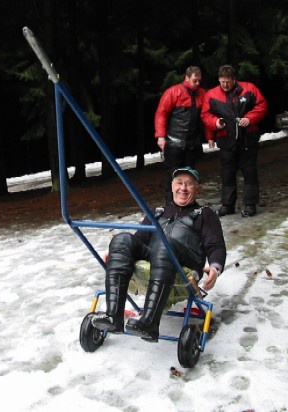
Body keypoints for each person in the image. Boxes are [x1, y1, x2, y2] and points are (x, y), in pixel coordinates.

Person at [92, 166, 226, 342]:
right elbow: (139, 238)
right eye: (179, 183)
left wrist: (215, 267)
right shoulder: (157, 212)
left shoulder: (205, 215)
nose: (183, 188)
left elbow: (216, 245)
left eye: (188, 184)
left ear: (197, 188)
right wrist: (119, 252)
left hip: (186, 263)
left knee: (165, 244)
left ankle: (150, 323)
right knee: (122, 239)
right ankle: (113, 317)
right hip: (157, 256)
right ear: (172, 186)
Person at [201, 65, 267, 218]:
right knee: (227, 173)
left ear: (234, 79)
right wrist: (215, 123)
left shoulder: (249, 89)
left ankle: (250, 205)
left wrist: (250, 118)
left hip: (248, 138)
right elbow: (205, 115)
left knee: (249, 171)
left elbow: (262, 105)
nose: (225, 85)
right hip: (226, 139)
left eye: (228, 82)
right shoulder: (212, 95)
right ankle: (227, 205)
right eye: (222, 82)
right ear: (219, 80)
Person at [154, 66, 208, 204]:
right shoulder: (173, 92)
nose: (197, 83)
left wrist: (210, 137)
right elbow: (161, 114)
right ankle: (170, 205)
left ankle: (189, 203)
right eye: (194, 80)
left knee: (190, 176)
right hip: (174, 143)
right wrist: (161, 136)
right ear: (187, 78)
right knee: (173, 175)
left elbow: (206, 117)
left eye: (199, 80)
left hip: (192, 143)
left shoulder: (202, 94)